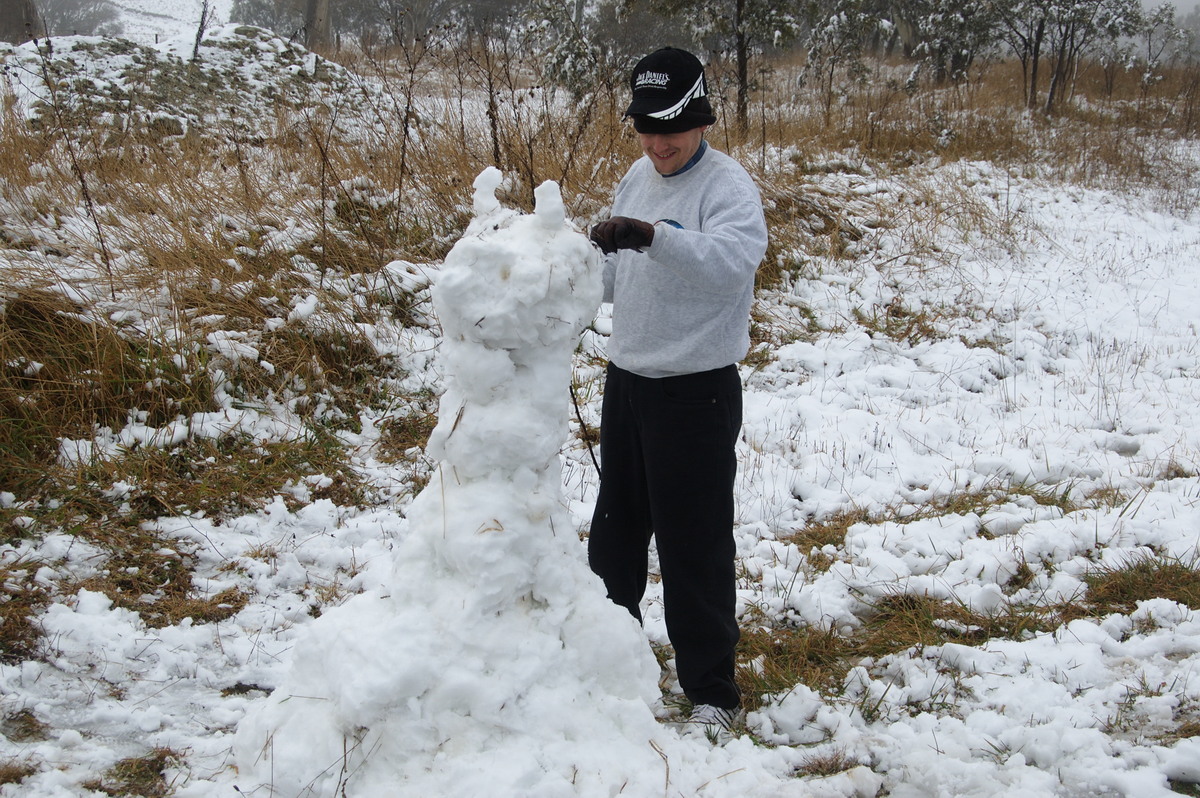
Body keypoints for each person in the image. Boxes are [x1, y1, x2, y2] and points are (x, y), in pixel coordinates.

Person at [587, 47, 768, 738]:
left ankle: (714, 694)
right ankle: (614, 670)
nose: (659, 142)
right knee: (615, 541)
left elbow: (731, 265)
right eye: (646, 127)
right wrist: (559, 280)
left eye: (672, 127)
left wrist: (654, 238)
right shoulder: (638, 174)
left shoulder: (726, 187)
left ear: (700, 119)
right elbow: (613, 276)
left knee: (693, 547)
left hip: (695, 393)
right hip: (628, 385)